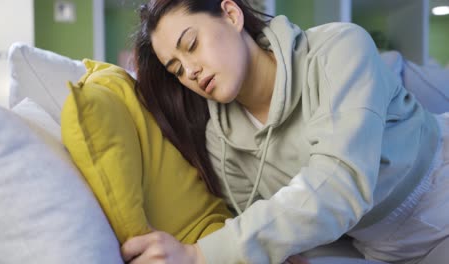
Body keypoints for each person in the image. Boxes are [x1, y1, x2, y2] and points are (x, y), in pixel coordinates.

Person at [121, 0, 449, 263]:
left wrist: (200, 255)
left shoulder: (338, 47)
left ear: (231, 15)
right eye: (176, 69)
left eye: (191, 45)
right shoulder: (219, 143)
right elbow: (278, 229)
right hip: (378, 245)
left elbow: (340, 185)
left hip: (439, 194)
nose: (190, 71)